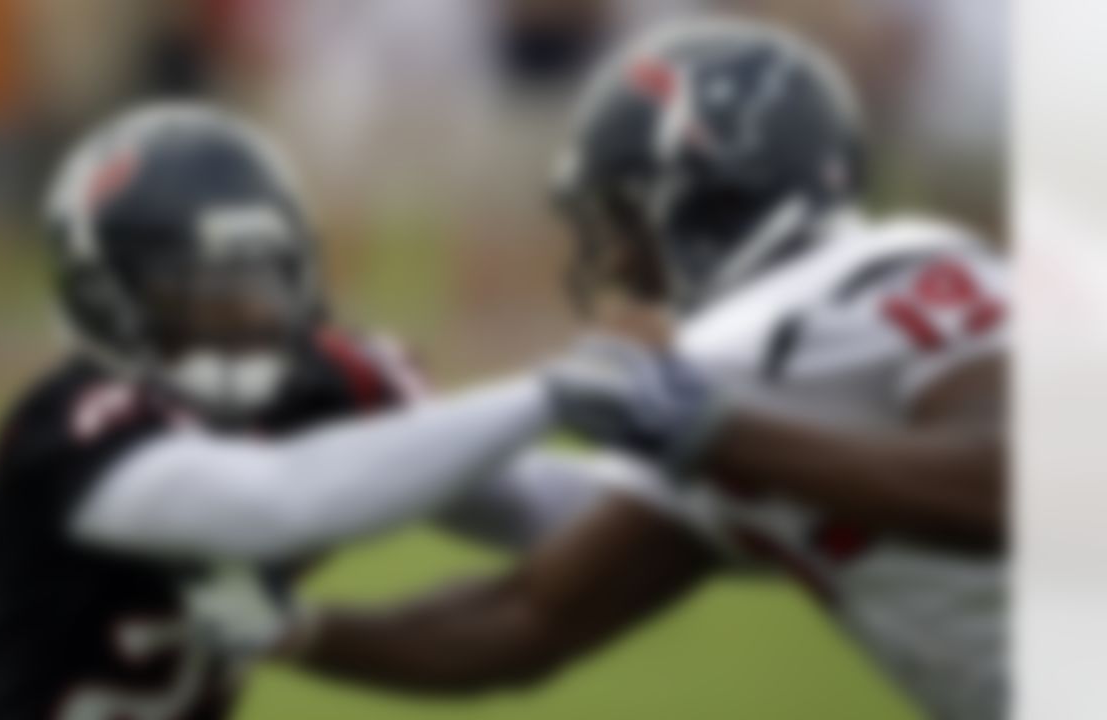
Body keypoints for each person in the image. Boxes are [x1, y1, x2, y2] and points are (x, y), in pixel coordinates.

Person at [276, 20, 1007, 720]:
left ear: (709, 198)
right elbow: (521, 617)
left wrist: (712, 428)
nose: (617, 261)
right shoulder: (756, 369)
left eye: (626, 222)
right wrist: (270, 628)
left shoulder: (887, 281)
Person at [0, 102, 714, 720]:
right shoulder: (72, 424)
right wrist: (551, 390)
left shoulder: (327, 385)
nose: (237, 313)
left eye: (255, 281)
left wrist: (726, 502)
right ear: (103, 295)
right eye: (188, 289)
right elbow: (272, 501)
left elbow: (541, 508)